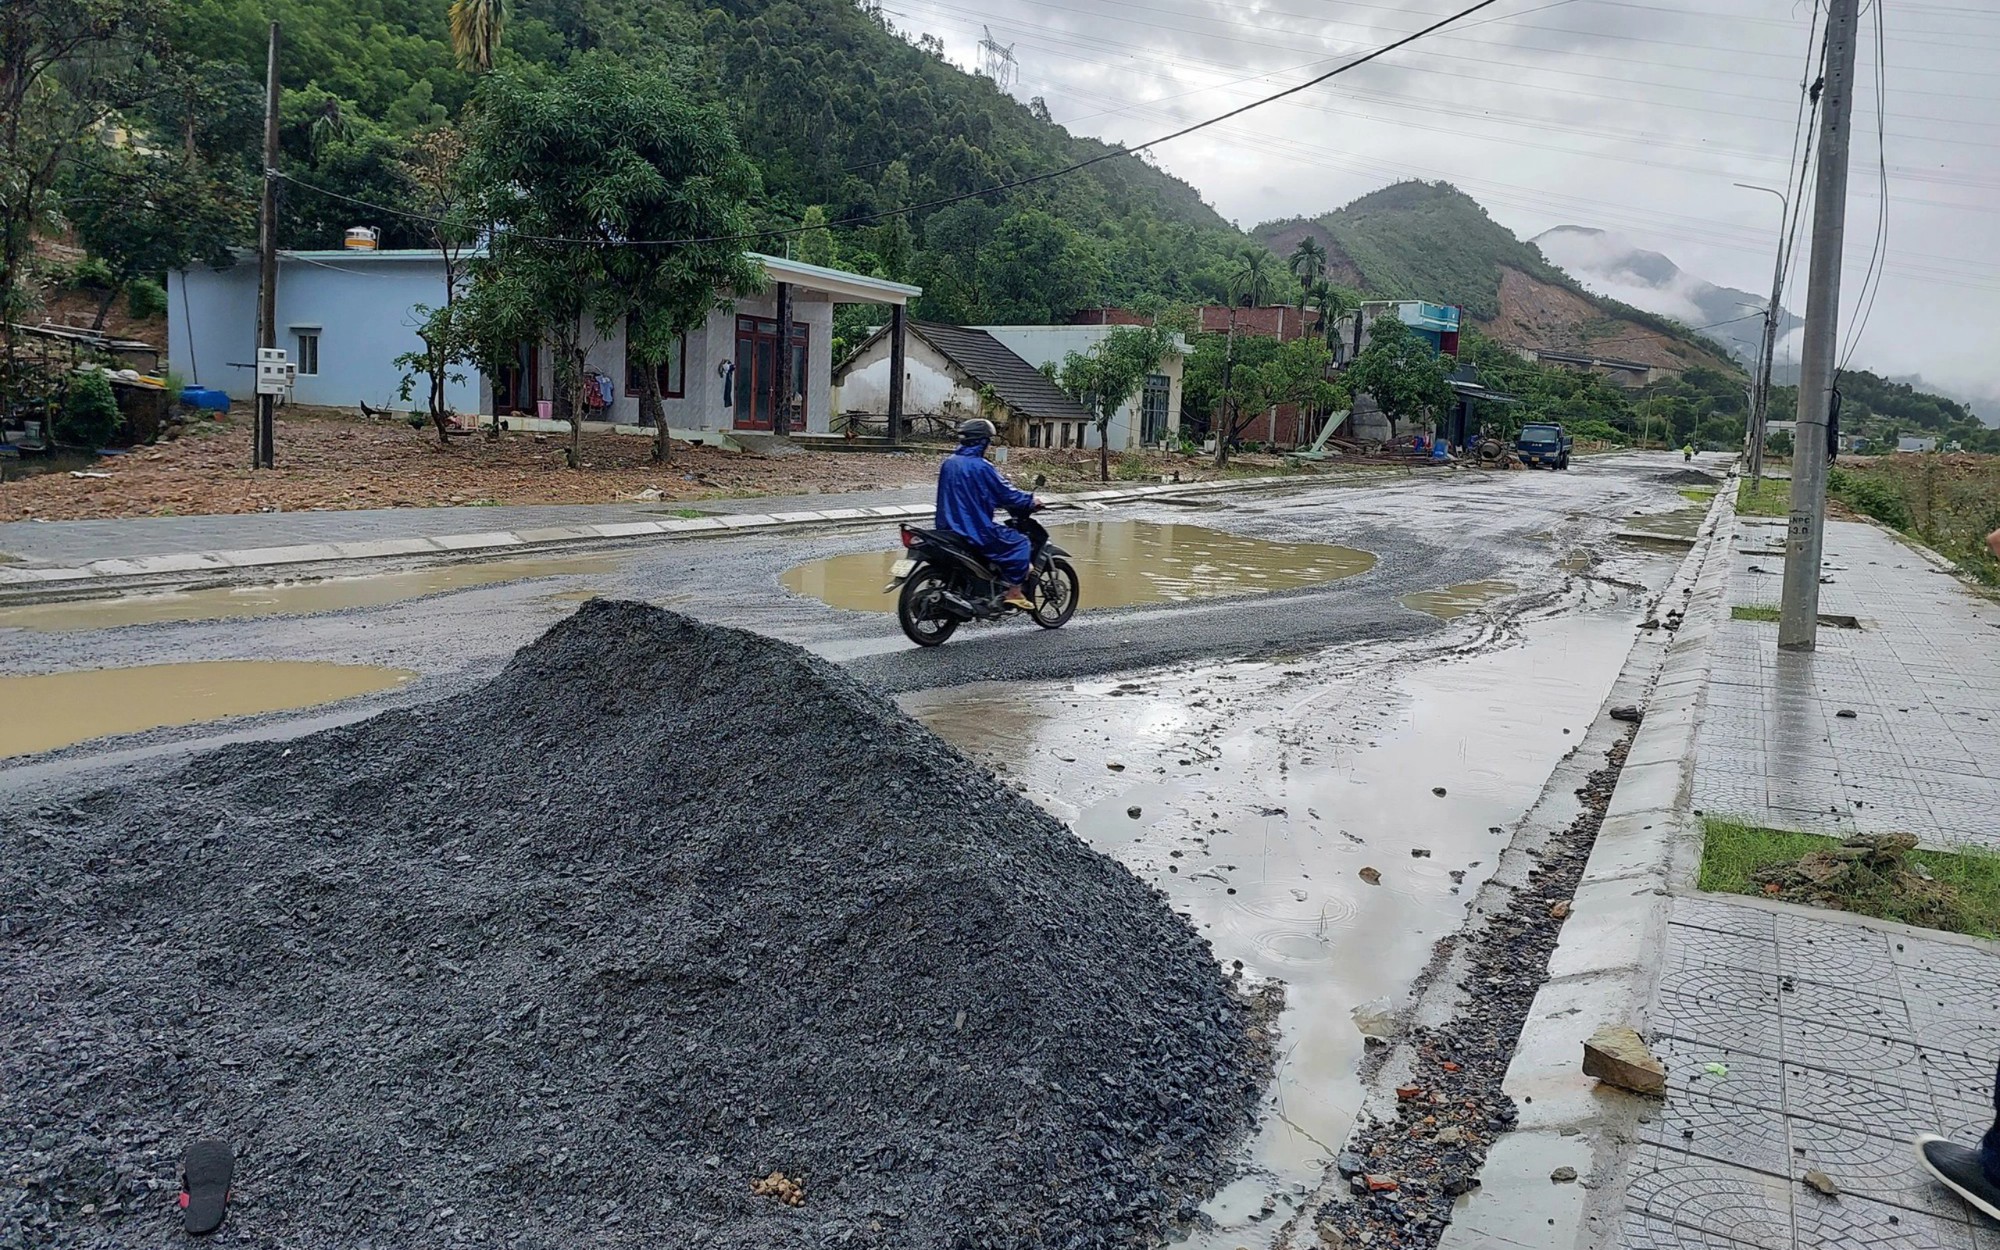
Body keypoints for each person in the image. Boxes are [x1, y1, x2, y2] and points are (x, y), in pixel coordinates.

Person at [935, 418, 1037, 609]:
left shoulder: (949, 463)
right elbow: (1006, 493)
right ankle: (1014, 592)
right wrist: (1030, 500)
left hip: (946, 528)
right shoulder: (982, 467)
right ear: (983, 442)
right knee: (1020, 542)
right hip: (975, 530)